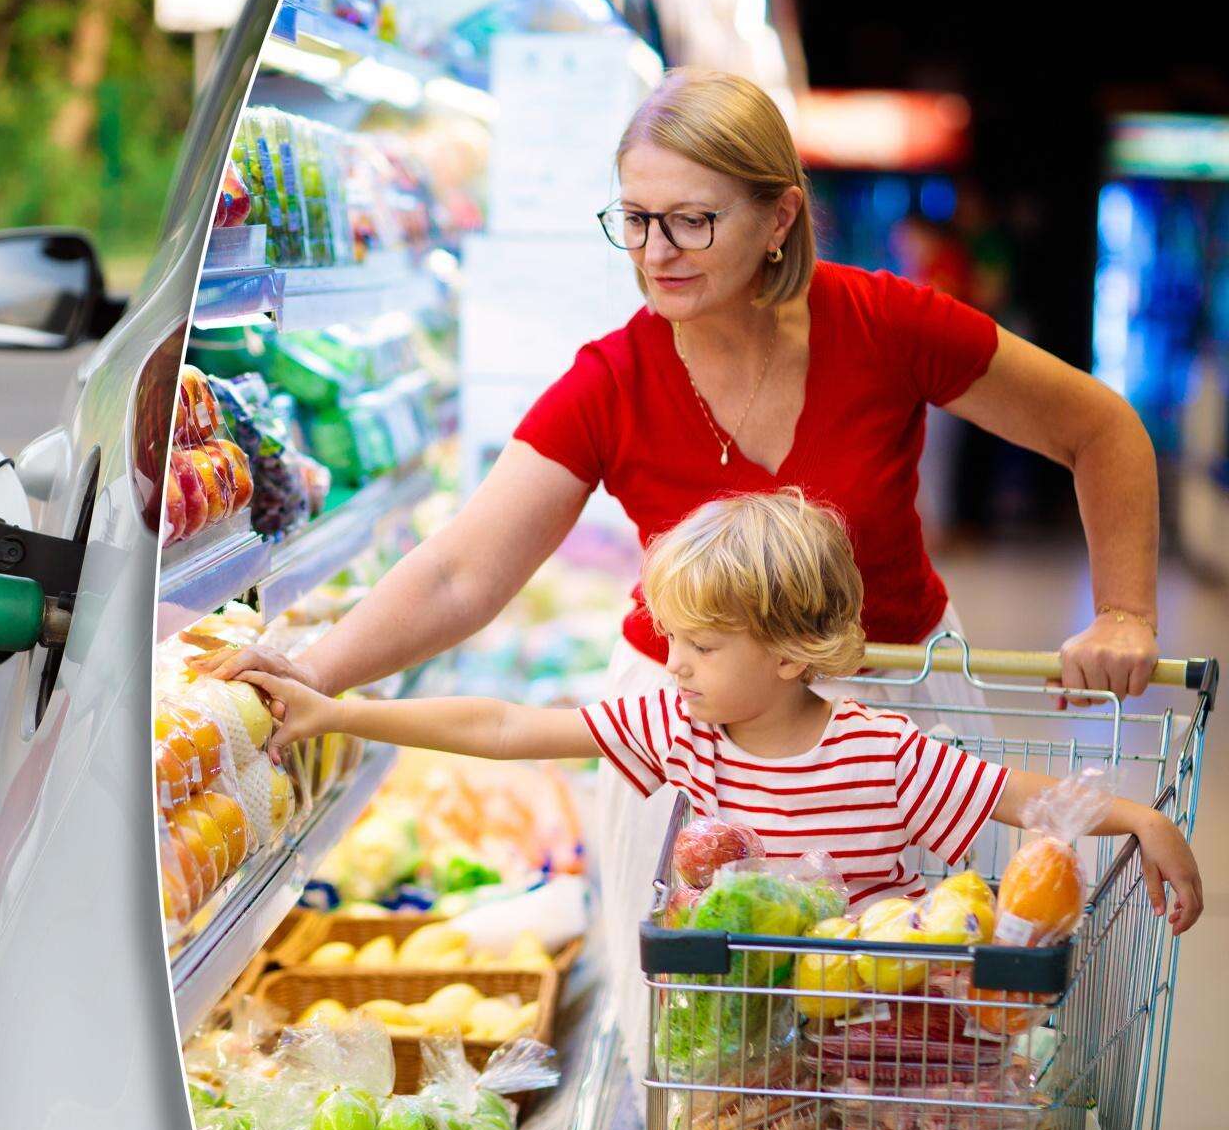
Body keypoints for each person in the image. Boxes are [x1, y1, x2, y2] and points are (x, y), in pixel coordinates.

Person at [195, 67, 1168, 1053]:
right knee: (713, 1056)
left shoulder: (886, 324)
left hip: (893, 723)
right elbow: (461, 572)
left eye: (693, 221)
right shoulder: (613, 380)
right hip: (697, 734)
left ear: (779, 215)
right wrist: (312, 673)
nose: (657, 252)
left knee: (924, 1033)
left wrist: (1126, 610)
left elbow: (1101, 429)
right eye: (637, 220)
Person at [238, 493, 1202, 933]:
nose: (673, 663)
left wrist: (1142, 818)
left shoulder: (883, 753)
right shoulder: (676, 725)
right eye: (672, 640)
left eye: (701, 647)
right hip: (729, 1052)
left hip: (873, 1046)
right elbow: (502, 727)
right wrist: (338, 712)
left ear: (789, 654)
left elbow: (1019, 798)